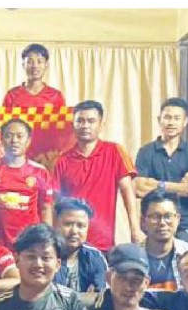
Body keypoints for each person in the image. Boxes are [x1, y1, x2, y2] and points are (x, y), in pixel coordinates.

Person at [54, 100, 141, 251]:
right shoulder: (62, 160)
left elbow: (127, 190)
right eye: (80, 121)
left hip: (103, 243)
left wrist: (135, 228)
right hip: (70, 242)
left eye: (91, 121)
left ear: (101, 124)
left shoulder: (114, 151)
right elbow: (55, 202)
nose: (85, 125)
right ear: (73, 125)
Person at [133, 98, 188, 245]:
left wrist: (157, 185)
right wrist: (182, 187)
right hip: (152, 221)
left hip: (183, 223)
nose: (171, 122)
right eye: (167, 117)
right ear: (160, 120)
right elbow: (139, 189)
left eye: (176, 118)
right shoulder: (146, 152)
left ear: (185, 121)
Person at [0, 118, 54, 248]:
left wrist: (47, 242)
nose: (14, 141)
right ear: (2, 139)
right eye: (9, 136)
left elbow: (45, 209)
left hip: (29, 245)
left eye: (19, 136)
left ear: (28, 141)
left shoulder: (40, 172)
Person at [137, 191, 188, 291]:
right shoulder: (132, 256)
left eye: (168, 216)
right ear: (143, 221)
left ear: (178, 219)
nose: (162, 223)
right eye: (155, 217)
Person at [53, 197, 109, 302]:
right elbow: (47, 299)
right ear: (55, 223)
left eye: (81, 226)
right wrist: (84, 298)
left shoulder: (95, 257)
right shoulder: (45, 256)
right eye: (68, 224)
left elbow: (100, 298)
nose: (74, 231)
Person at [2, 43, 66, 109]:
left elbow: (63, 119)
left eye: (39, 61)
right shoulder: (11, 96)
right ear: (23, 65)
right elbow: (4, 119)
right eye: (30, 62)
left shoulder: (56, 96)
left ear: (46, 65)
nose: (35, 66)